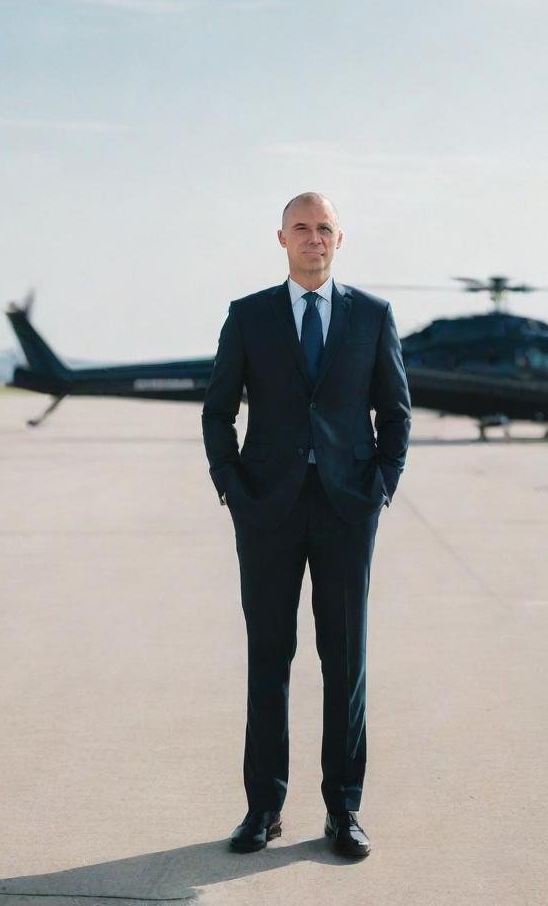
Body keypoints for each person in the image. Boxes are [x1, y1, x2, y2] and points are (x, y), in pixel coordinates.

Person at [201, 191, 411, 858]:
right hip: (267, 509)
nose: (313, 238)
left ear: (339, 241)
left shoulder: (373, 317)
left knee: (345, 660)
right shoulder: (249, 316)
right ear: (282, 239)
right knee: (270, 658)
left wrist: (380, 486)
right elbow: (216, 412)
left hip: (348, 509)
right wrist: (233, 487)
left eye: (324, 229)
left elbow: (395, 413)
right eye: (302, 228)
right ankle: (262, 809)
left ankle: (343, 812)